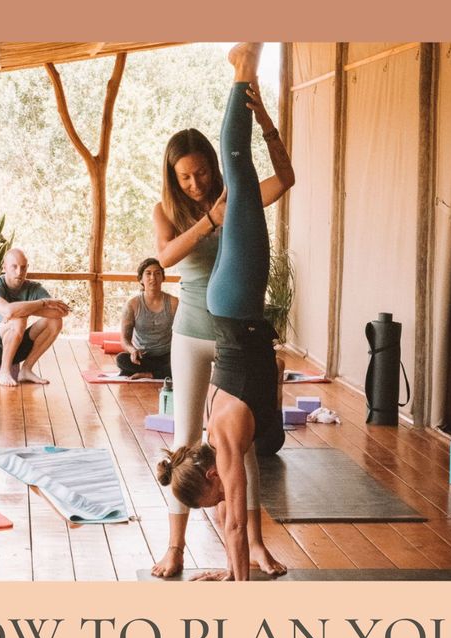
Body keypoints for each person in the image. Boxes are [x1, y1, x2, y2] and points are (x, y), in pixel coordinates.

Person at [151, 53, 294, 578]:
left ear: (213, 164)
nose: (194, 182)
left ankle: (254, 546)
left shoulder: (237, 196)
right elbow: (164, 259)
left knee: (242, 448)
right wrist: (210, 218)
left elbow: (285, 180)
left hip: (232, 330)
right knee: (189, 440)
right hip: (194, 332)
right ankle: (176, 547)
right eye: (184, 177)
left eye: (201, 172)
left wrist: (268, 126)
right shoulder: (169, 211)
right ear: (173, 177)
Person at [0, 248, 70, 387]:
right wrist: (41, 303)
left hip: (17, 347)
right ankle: (4, 372)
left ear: (27, 268)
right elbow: (8, 312)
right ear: (4, 267)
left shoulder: (33, 288)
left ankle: (26, 370)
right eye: (14, 267)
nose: (19, 272)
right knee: (18, 319)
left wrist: (24, 309)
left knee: (55, 322)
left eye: (23, 267)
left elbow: (60, 312)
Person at [116, 258, 177, 379]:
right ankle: (160, 373)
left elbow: (182, 334)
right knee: (121, 359)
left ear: (163, 278)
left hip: (167, 356)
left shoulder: (173, 303)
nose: (153, 278)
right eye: (148, 273)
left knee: (184, 361)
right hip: (143, 357)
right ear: (141, 279)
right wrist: (132, 350)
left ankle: (149, 373)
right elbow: (124, 339)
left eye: (157, 273)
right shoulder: (132, 304)